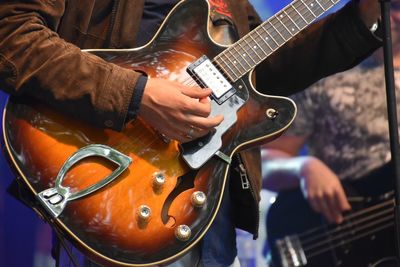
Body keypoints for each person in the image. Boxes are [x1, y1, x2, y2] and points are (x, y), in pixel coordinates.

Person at [0, 0, 382, 266]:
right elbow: (12, 35)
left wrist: (360, 19)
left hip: (204, 203)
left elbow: (264, 68)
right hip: (115, 183)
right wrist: (139, 95)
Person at [262, 1, 400, 265]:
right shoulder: (327, 72)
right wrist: (303, 168)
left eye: (397, 7)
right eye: (388, 5)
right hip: (336, 235)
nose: (391, 14)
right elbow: (263, 164)